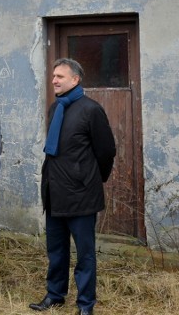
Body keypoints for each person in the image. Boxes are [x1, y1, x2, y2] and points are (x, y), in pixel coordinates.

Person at [29, 59, 116, 315]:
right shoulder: (55, 108)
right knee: (56, 251)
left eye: (59, 76)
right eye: (53, 76)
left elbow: (106, 151)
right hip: (54, 194)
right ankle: (55, 295)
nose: (54, 80)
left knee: (85, 255)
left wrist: (88, 179)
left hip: (81, 196)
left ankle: (85, 304)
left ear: (75, 79)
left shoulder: (91, 110)